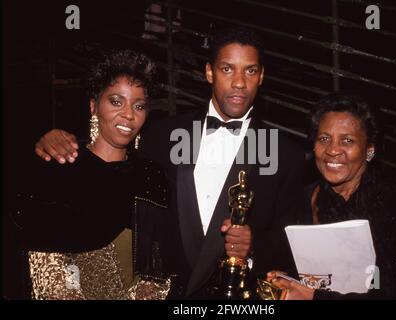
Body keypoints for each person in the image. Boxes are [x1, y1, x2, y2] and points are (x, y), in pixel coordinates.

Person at [34, 27, 306, 299]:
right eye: (227, 69)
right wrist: (57, 140)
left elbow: (293, 242)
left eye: (250, 71)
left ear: (261, 76)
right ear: (209, 72)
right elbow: (111, 157)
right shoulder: (162, 135)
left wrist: (255, 245)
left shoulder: (286, 154)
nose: (239, 82)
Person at [12, 49, 170, 299]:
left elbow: (158, 267)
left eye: (139, 106)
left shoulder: (152, 176)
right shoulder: (62, 166)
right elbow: (46, 266)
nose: (128, 114)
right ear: (94, 105)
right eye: (116, 101)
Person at [267, 93, 396, 300]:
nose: (333, 150)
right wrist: (285, 280)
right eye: (324, 138)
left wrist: (314, 297)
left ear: (369, 150)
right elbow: (290, 268)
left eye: (347, 140)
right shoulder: (302, 200)